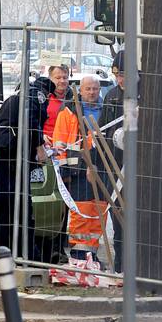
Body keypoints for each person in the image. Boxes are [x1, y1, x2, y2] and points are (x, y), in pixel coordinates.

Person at [0, 77, 52, 262]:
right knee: (17, 213)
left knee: (7, 213)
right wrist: (39, 146)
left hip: (8, 158)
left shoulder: (14, 99)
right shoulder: (35, 94)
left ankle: (5, 259)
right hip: (11, 160)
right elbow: (30, 118)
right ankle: (26, 257)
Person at [52, 85, 110, 261]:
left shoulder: (105, 110)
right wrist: (64, 170)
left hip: (102, 169)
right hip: (77, 170)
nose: (91, 92)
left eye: (95, 89)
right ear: (81, 91)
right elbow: (59, 141)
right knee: (82, 213)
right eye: (87, 89)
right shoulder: (69, 111)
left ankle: (90, 254)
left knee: (98, 212)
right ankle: (78, 253)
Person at [99, 51, 126, 270]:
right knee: (118, 218)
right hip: (114, 166)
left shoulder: (145, 92)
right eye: (116, 75)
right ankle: (120, 267)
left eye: (123, 74)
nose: (120, 80)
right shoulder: (112, 96)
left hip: (139, 169)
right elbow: (103, 132)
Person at [42, 64, 73, 142]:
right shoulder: (42, 98)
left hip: (68, 147)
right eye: (58, 78)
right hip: (46, 147)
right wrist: (40, 137)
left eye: (65, 78)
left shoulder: (75, 99)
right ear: (50, 79)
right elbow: (31, 123)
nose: (62, 81)